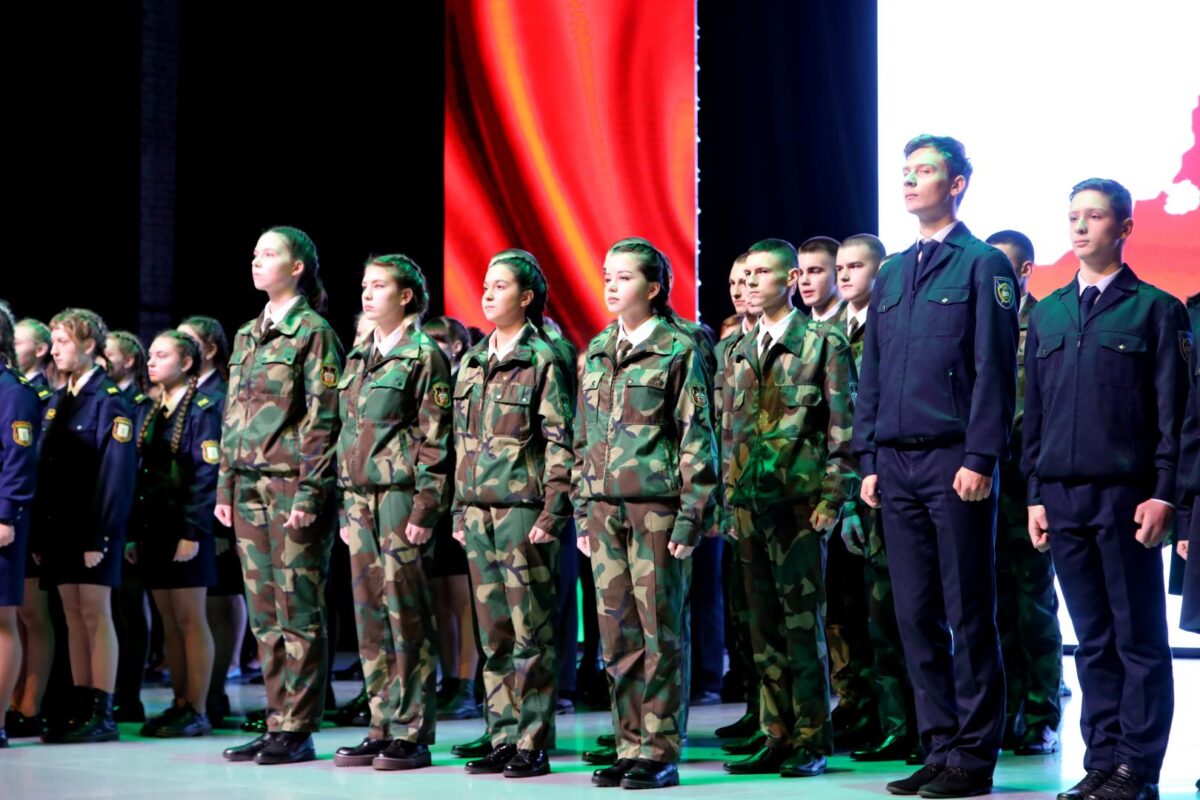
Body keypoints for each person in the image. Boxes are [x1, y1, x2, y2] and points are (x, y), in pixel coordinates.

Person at [853, 134, 1017, 798]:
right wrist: (867, 456)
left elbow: (995, 372)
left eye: (924, 171)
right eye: (904, 171)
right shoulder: (893, 272)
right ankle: (939, 745)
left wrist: (981, 456)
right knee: (915, 613)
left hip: (954, 462)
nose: (909, 180)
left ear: (957, 184)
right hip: (895, 464)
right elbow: (872, 371)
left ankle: (973, 758)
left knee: (967, 610)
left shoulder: (982, 264)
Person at [1024, 179, 1188, 800]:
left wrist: (1165, 492)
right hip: (1061, 496)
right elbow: (1034, 416)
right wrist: (1035, 494)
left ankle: (1136, 769)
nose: (1080, 226)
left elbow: (1176, 414)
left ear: (1123, 228)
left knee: (1137, 637)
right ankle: (1101, 761)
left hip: (1127, 496)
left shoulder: (1155, 308)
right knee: (1092, 640)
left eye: (1094, 216)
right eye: (1074, 216)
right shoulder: (1048, 312)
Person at [574, 237, 718, 790]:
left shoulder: (677, 348)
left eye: (624, 277)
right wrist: (584, 508)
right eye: (607, 275)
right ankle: (628, 742)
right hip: (604, 510)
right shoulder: (599, 347)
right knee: (616, 635)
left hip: (656, 507)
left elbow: (696, 435)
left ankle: (659, 750)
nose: (611, 285)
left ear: (654, 287)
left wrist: (692, 514)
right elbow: (584, 436)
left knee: (661, 631)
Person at [720, 238, 857, 779]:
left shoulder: (823, 343)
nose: (751, 283)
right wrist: (727, 501)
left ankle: (811, 738)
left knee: (803, 627)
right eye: (746, 274)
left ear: (792, 279)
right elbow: (728, 433)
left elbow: (844, 427)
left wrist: (834, 496)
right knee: (762, 629)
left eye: (762, 273)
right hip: (749, 506)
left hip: (800, 507)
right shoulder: (737, 349)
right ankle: (775, 734)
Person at [216, 226, 343, 766]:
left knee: (298, 609)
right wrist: (225, 483)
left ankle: (298, 726)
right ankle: (275, 719)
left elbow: (324, 420)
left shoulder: (314, 333)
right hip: (247, 485)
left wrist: (311, 493)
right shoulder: (248, 333)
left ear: (297, 268)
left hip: (291, 485)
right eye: (254, 253)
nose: (256, 261)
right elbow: (232, 415)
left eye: (269, 254)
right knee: (264, 612)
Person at [450, 249, 573, 778]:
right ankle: (502, 733)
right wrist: (459, 508)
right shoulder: (473, 360)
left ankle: (532, 739)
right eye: (486, 284)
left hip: (524, 510)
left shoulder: (543, 358)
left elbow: (561, 440)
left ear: (526, 297)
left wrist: (553, 510)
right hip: (478, 511)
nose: (487, 293)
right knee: (493, 633)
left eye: (500, 286)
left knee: (531, 632)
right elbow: (461, 442)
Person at [331, 254, 451, 771]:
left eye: (379, 285)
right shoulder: (360, 354)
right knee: (370, 614)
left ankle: (411, 730)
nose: (367, 293)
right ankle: (380, 723)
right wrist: (344, 501)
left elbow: (436, 438)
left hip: (401, 496)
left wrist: (425, 507)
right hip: (359, 498)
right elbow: (347, 432)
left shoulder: (424, 354)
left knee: (406, 612)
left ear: (406, 296)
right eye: (365, 284)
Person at [835, 233, 921, 766]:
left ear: (882, 269)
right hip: (852, 490)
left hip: (892, 482)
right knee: (862, 614)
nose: (844, 275)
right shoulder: (829, 334)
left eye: (855, 266)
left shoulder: (893, 325)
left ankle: (913, 724)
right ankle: (881, 718)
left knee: (899, 610)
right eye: (839, 267)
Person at [34, 308, 138, 744]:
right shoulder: (61, 398)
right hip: (61, 528)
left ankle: (103, 710)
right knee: (74, 617)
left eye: (63, 342)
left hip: (92, 528)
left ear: (89, 345)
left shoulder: (108, 398)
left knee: (95, 615)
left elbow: (115, 474)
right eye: (54, 342)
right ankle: (80, 705)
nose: (54, 350)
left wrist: (101, 534)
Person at [984, 229, 1063, 756]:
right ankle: (1004, 709)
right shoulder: (975, 323)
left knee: (1033, 602)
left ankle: (1040, 714)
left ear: (1025, 271)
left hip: (1027, 481)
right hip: (979, 483)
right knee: (993, 602)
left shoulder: (1045, 323)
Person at [127, 331, 221, 737]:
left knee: (189, 618)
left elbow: (205, 475)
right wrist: (134, 533)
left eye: (161, 355)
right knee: (169, 620)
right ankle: (179, 702)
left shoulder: (201, 409)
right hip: (155, 528)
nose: (151, 361)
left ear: (186, 363)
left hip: (186, 529)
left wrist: (193, 530)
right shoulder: (155, 409)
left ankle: (197, 707)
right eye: (150, 354)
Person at [178, 315, 245, 727]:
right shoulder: (185, 393)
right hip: (194, 512)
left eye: (188, 341)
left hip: (218, 511)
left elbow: (221, 459)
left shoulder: (219, 393)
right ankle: (204, 690)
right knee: (205, 603)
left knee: (223, 599)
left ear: (210, 349)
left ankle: (217, 687)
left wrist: (221, 524)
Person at [422, 314, 483, 723]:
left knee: (463, 598)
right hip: (434, 499)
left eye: (438, 342)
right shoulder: (428, 382)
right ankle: (448, 679)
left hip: (462, 496)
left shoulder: (468, 380)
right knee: (440, 595)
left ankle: (466, 683)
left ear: (456, 346)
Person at [0, 301, 41, 749]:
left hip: (1, 518)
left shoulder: (14, 391)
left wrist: (6, 513)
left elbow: (18, 459)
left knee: (2, 620)